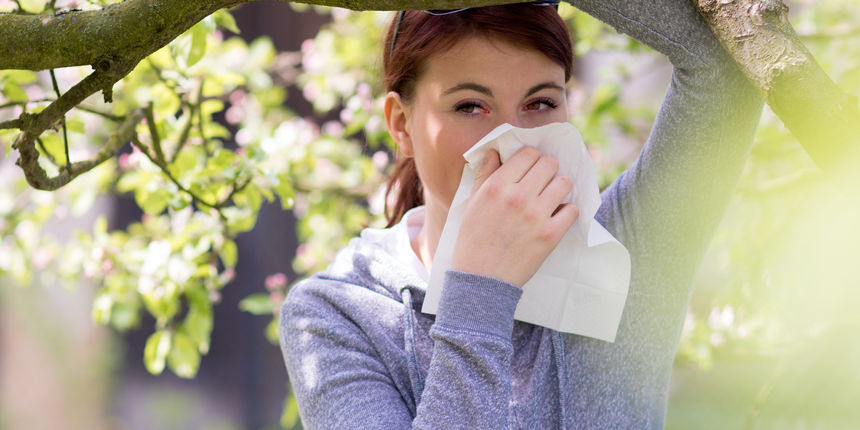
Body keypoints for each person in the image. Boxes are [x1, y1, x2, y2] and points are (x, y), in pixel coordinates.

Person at [280, 0, 763, 428]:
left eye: (540, 103)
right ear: (401, 125)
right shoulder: (335, 313)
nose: (511, 142)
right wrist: (482, 290)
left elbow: (730, 61)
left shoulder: (624, 250)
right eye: (470, 107)